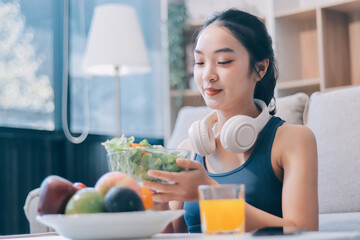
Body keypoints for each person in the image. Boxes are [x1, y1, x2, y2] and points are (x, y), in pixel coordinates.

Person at [143, 8, 318, 233]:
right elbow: (176, 235)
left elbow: (303, 231)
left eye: (223, 61)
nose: (208, 75)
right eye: (199, 62)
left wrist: (206, 192)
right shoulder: (188, 150)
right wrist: (158, 205)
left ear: (260, 68)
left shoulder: (294, 140)